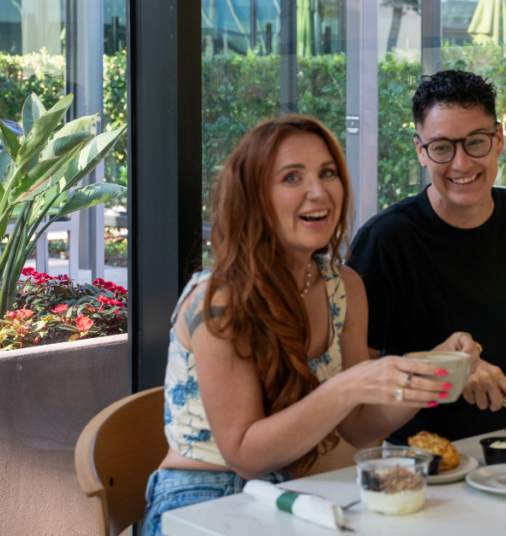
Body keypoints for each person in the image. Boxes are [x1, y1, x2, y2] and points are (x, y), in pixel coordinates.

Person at [142, 115, 478, 535]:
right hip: (201, 497)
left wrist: (434, 370)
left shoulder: (344, 286)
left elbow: (356, 426)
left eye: (328, 173)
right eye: (291, 178)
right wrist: (351, 384)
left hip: (295, 495)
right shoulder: (220, 300)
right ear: (254, 197)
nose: (318, 192)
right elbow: (245, 453)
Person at [347, 70, 506, 443]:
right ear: (420, 151)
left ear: (498, 139)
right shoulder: (385, 241)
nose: (462, 163)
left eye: (476, 142)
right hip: (425, 462)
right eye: (441, 148)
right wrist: (446, 372)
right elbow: (356, 394)